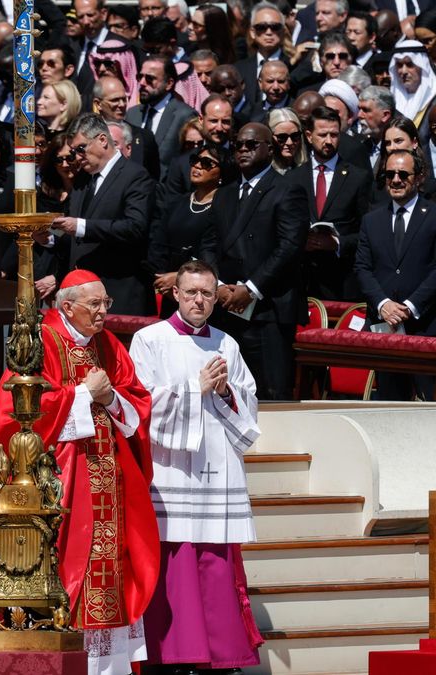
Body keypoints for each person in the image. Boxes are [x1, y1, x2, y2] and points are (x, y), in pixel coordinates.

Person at [0, 270, 159, 675]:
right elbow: (17, 412)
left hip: (108, 481)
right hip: (60, 483)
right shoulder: (40, 341)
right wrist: (84, 394)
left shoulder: (109, 345)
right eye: (94, 304)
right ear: (67, 306)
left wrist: (109, 398)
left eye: (106, 303)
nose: (103, 312)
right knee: (63, 569)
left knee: (110, 572)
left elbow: (136, 402)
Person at [129, 260, 264, 672]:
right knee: (178, 560)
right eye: (191, 292)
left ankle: (223, 654)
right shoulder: (149, 340)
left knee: (216, 560)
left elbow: (249, 402)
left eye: (207, 293)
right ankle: (176, 654)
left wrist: (224, 392)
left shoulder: (227, 344)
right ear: (176, 294)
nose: (199, 301)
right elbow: (140, 402)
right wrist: (195, 388)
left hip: (216, 469)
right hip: (172, 469)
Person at [209, 122, 310, 401]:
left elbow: (289, 247)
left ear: (270, 148)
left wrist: (251, 288)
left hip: (268, 309)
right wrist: (219, 285)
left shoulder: (287, 189)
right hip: (227, 305)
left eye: (252, 144)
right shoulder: (225, 193)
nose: (243, 149)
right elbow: (209, 243)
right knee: (228, 392)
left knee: (270, 393)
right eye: (238, 144)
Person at [354, 148, 436, 400]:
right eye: (389, 174)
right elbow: (362, 268)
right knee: (390, 407)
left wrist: (409, 307)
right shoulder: (371, 220)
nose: (396, 180)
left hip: (429, 328)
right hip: (386, 328)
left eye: (403, 174)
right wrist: (383, 304)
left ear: (419, 177)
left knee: (429, 407)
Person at [53, 113, 157, 317]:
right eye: (73, 152)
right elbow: (73, 232)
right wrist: (49, 237)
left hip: (120, 293)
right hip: (83, 295)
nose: (77, 157)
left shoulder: (135, 176)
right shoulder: (83, 180)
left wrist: (81, 227)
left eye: (81, 149)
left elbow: (134, 227)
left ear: (102, 140)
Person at [290, 105, 374, 300]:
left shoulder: (357, 178)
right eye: (322, 135)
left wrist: (337, 243)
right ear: (309, 136)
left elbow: (368, 232)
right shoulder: (293, 178)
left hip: (342, 282)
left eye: (334, 135)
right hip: (301, 282)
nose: (328, 141)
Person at [148, 143, 233, 311]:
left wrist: (181, 278)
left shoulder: (226, 208)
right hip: (171, 292)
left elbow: (215, 253)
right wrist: (162, 278)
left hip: (205, 296)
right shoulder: (177, 203)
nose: (197, 166)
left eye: (207, 163)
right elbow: (158, 244)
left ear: (222, 173)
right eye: (195, 160)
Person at [389, 40, 436, 128]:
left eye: (409, 64)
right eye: (399, 65)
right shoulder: (391, 98)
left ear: (422, 66)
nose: (403, 71)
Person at [267, 107, 307, 173]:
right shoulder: (261, 171)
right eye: (282, 137)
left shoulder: (309, 169)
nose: (289, 142)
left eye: (295, 136)